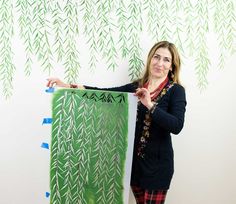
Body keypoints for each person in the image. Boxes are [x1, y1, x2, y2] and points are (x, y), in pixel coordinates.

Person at [47, 41, 187, 204]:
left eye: (166, 60)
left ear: (172, 66)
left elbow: (177, 125)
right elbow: (105, 95)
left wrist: (149, 104)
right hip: (135, 167)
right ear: (150, 59)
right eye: (156, 57)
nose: (160, 63)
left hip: (158, 168)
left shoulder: (176, 90)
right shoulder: (137, 86)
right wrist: (68, 87)